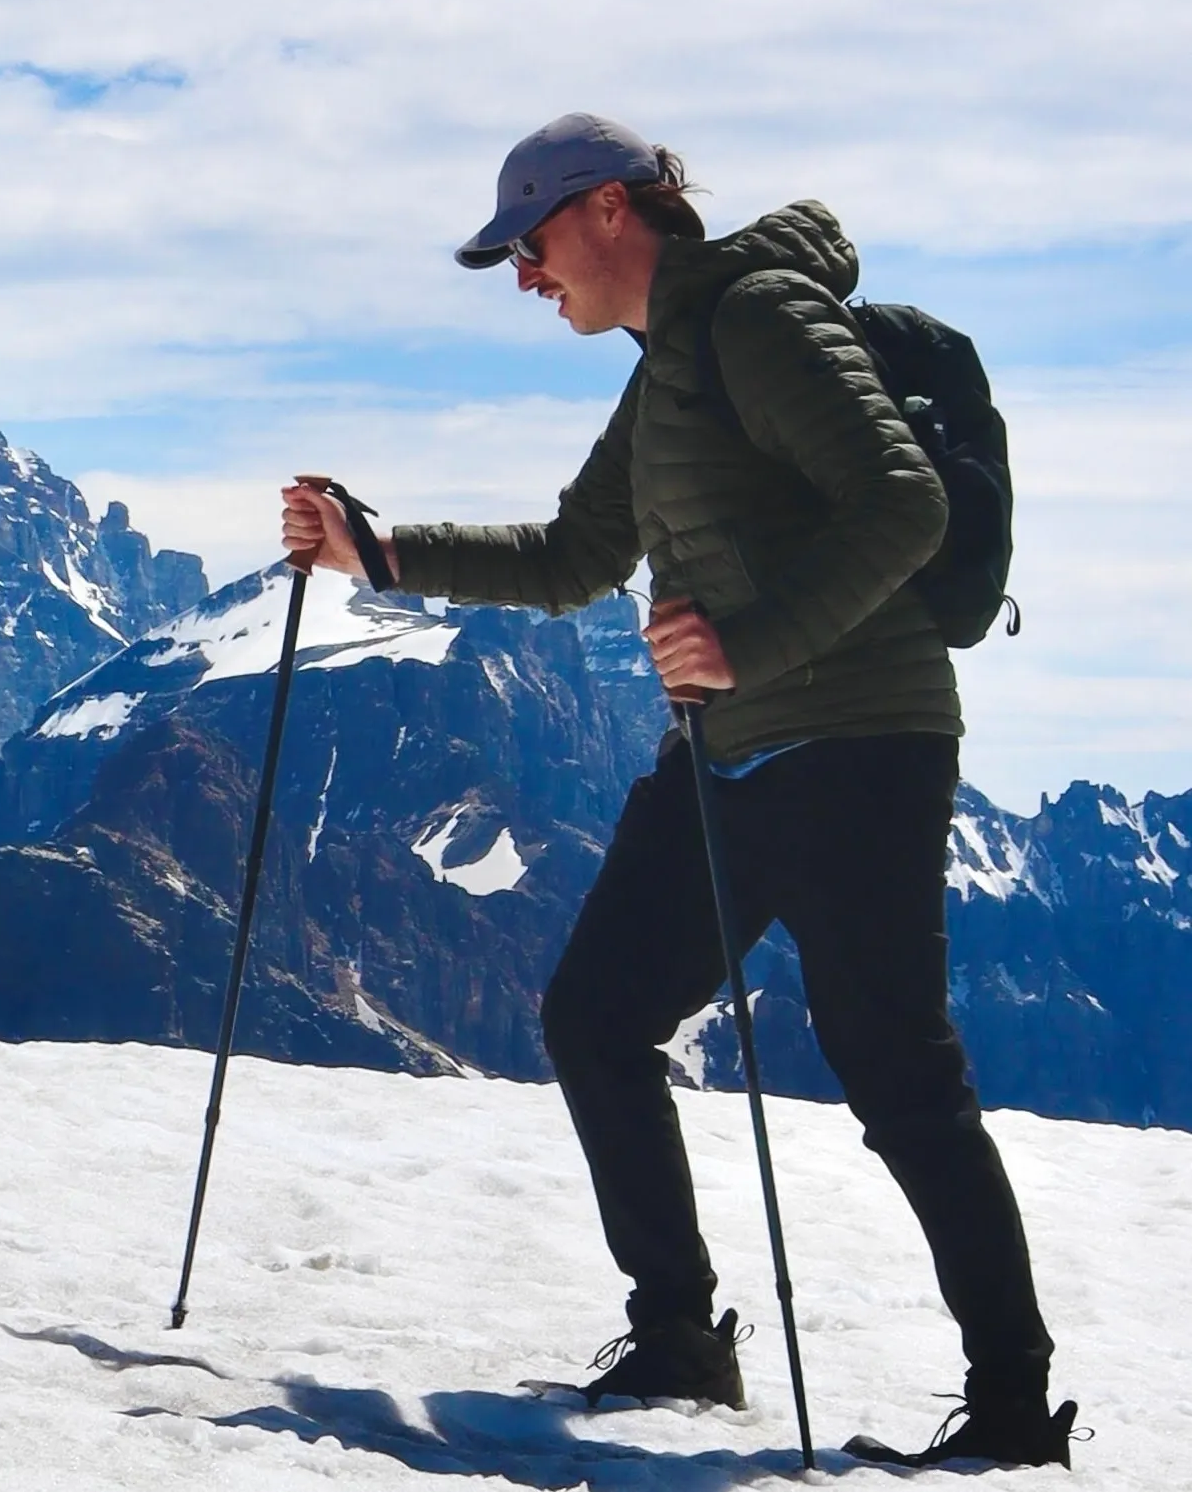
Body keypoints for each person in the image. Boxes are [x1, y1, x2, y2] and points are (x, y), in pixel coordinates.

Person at [278, 113, 1074, 1469]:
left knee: (895, 1075)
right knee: (595, 1017)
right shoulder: (666, 368)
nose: (526, 277)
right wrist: (381, 550)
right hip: (729, 755)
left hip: (860, 748)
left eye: (527, 245)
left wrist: (747, 646)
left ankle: (1009, 1406)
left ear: (601, 209)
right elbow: (580, 554)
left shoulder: (757, 320)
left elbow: (901, 505)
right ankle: (679, 1340)